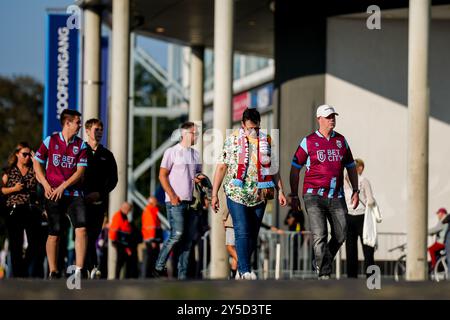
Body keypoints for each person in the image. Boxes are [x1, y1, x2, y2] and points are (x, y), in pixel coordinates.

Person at [212, 108, 287, 280]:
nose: (252, 132)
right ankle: (245, 270)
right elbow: (222, 166)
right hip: (236, 193)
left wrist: (281, 190)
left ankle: (241, 269)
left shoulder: (266, 141)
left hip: (259, 194)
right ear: (242, 125)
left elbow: (273, 169)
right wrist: (215, 194)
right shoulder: (232, 141)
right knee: (242, 230)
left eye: (256, 128)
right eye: (249, 128)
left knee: (252, 234)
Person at [289, 104, 359, 280]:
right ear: (319, 119)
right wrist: (294, 194)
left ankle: (321, 260)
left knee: (341, 233)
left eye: (333, 116)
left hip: (337, 195)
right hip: (313, 195)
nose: (332, 119)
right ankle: (324, 273)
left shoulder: (341, 141)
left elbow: (351, 167)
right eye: (328, 117)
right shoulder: (309, 141)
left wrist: (356, 190)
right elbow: (295, 168)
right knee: (320, 234)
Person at [34, 109, 88, 279]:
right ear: (67, 123)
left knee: (82, 227)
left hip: (73, 193)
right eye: (77, 122)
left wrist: (63, 186)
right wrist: (45, 184)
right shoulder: (51, 140)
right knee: (55, 232)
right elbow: (37, 163)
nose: (80, 125)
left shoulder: (81, 145)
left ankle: (79, 270)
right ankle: (53, 270)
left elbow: (80, 172)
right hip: (52, 193)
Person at [152, 122, 202, 280]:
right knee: (177, 235)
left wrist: (205, 190)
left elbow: (197, 176)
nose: (197, 136)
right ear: (185, 133)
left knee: (187, 242)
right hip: (175, 202)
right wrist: (172, 195)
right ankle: (159, 265)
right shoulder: (171, 152)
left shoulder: (196, 154)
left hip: (192, 203)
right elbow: (162, 175)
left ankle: (182, 277)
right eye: (195, 133)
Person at [83, 118, 118, 278]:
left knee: (93, 236)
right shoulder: (80, 151)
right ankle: (85, 268)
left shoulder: (107, 155)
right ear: (88, 131)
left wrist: (100, 194)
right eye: (96, 129)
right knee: (82, 234)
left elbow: (113, 180)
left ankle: (91, 268)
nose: (99, 133)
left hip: (98, 202)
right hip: (80, 202)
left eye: (101, 130)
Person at [1, 142, 40, 277]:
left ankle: (23, 268)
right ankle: (18, 275)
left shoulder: (34, 169)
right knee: (15, 245)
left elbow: (43, 179)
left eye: (29, 154)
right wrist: (14, 189)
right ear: (17, 154)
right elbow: (1, 190)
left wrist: (36, 162)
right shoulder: (9, 171)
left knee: (35, 243)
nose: (27, 157)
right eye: (24, 154)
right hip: (14, 209)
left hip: (30, 209)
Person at [343, 158, 376, 278]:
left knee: (350, 249)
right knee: (368, 249)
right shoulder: (363, 181)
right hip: (362, 217)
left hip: (348, 217)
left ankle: (351, 277)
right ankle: (371, 277)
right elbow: (370, 200)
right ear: (360, 168)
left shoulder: (344, 182)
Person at [109, 202, 134, 279]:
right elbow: (114, 229)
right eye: (128, 209)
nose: (129, 211)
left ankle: (120, 277)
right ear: (124, 208)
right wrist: (113, 240)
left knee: (123, 260)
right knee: (120, 260)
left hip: (123, 242)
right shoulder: (118, 216)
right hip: (119, 241)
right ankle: (117, 277)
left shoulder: (124, 216)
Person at [141, 196, 162, 278]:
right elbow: (151, 227)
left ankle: (149, 276)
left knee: (151, 259)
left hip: (152, 239)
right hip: (152, 240)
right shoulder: (150, 211)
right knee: (151, 259)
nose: (157, 203)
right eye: (155, 202)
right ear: (152, 203)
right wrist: (152, 240)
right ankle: (148, 276)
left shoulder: (151, 210)